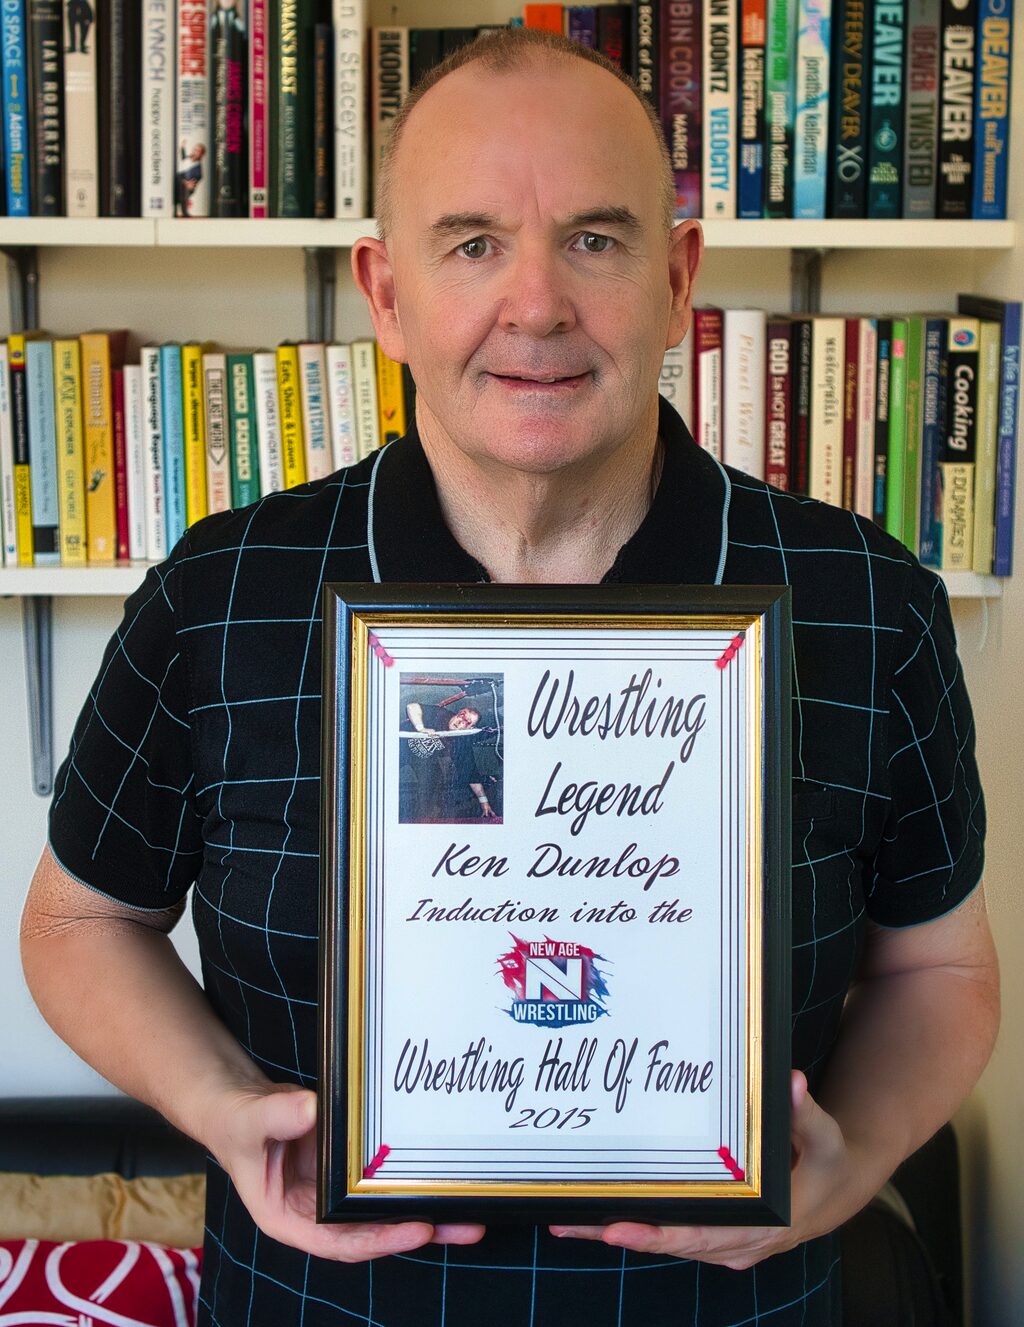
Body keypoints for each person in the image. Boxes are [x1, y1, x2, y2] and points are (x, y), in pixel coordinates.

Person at [21, 28, 998, 1327]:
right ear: (385, 292)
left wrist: (853, 1158)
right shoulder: (223, 591)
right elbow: (79, 924)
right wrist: (218, 1102)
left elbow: (941, 971)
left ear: (678, 277)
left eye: (594, 239)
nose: (536, 305)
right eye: (473, 243)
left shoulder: (866, 600)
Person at [399, 701, 496, 822]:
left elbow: (471, 774)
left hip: (423, 759)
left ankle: (423, 821)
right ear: (457, 713)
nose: (460, 722)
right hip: (401, 747)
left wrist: (484, 803)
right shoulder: (440, 714)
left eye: (467, 722)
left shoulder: (460, 742)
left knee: (434, 781)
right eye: (461, 716)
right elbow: (412, 707)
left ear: (469, 728)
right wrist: (421, 728)